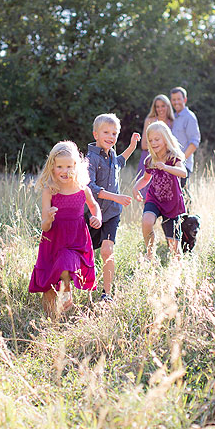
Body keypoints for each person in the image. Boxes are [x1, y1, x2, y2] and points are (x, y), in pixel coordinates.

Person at [29, 141, 102, 318]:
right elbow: (44, 226)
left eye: (69, 166)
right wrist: (49, 218)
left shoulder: (82, 189)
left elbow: (94, 206)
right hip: (53, 239)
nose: (64, 170)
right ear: (52, 166)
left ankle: (67, 290)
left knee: (66, 265)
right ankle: (51, 321)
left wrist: (97, 217)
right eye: (60, 166)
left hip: (76, 239)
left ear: (76, 166)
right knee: (49, 285)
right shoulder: (50, 191)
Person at [85, 113, 140, 302]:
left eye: (114, 133)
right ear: (96, 134)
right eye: (106, 132)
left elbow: (120, 163)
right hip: (92, 214)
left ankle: (107, 294)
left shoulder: (112, 155)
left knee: (107, 250)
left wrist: (132, 146)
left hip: (112, 214)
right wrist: (116, 196)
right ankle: (85, 287)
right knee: (87, 253)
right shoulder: (91, 159)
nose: (111, 137)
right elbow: (90, 187)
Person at [133, 121, 188, 259]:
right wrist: (135, 188)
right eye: (150, 140)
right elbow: (146, 179)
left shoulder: (173, 157)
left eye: (157, 139)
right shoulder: (150, 160)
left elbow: (183, 173)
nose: (153, 142)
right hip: (155, 199)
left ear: (165, 139)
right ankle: (150, 254)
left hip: (172, 202)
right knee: (146, 221)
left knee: (174, 246)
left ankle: (178, 269)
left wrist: (166, 167)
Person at [136, 94, 175, 181]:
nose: (160, 109)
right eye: (157, 107)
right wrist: (159, 146)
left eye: (163, 106)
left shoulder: (172, 122)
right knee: (145, 188)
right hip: (150, 158)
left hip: (166, 160)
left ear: (168, 107)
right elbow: (143, 145)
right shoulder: (149, 120)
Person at [169, 87, 201, 190]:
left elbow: (194, 142)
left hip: (183, 165)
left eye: (179, 99)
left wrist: (181, 160)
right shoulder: (173, 117)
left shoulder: (189, 117)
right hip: (172, 165)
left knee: (183, 196)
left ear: (185, 100)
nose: (176, 102)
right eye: (174, 100)